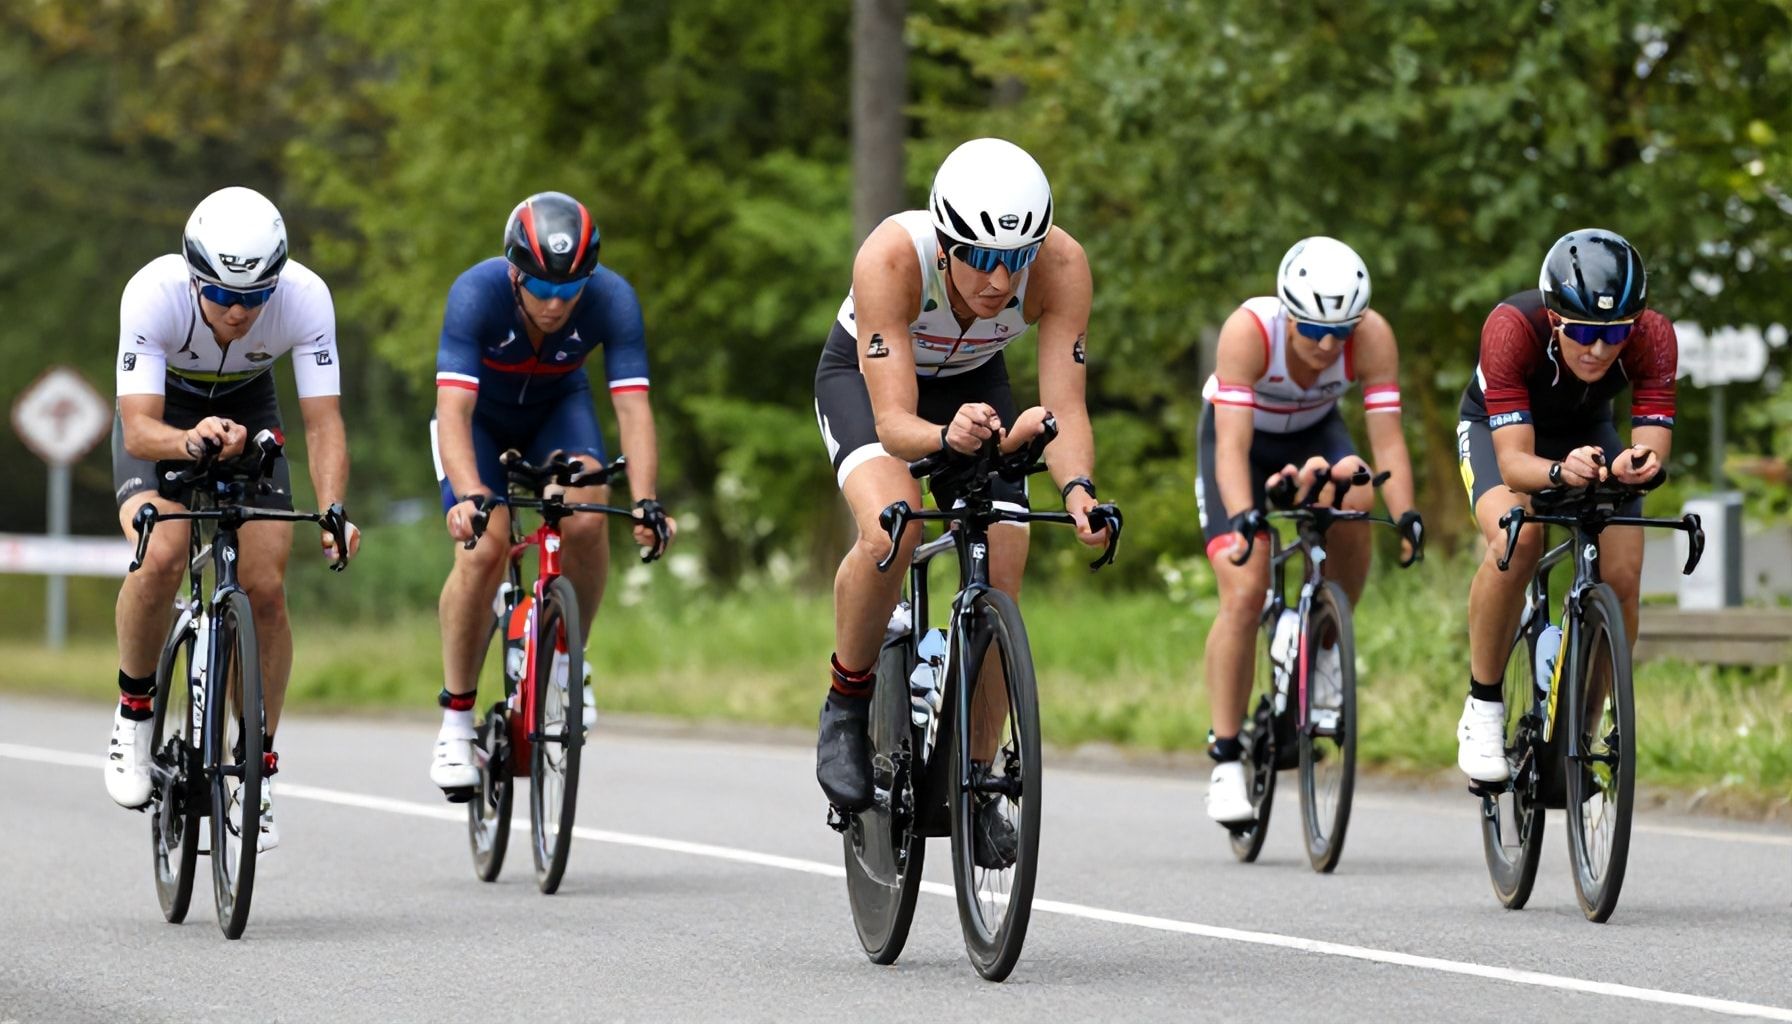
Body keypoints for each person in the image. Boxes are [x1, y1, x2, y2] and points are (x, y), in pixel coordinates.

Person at [811, 137, 1110, 865]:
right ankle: (846, 703)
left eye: (1017, 259)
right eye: (979, 257)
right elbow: (894, 423)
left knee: (1006, 549)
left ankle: (976, 778)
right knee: (894, 530)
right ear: (944, 245)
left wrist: (1078, 491)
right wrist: (947, 437)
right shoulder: (892, 258)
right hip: (872, 387)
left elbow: (1064, 407)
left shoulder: (1062, 266)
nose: (1000, 281)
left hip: (975, 382)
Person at [108, 186, 360, 852]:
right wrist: (189, 440)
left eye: (255, 297)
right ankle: (133, 715)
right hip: (165, 414)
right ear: (196, 277)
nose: (239, 311)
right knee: (162, 554)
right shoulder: (153, 293)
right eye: (221, 295)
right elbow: (138, 428)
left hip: (250, 410)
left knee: (267, 590)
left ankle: (256, 769)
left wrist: (334, 509)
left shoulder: (306, 297)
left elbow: (323, 422)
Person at [429, 191, 675, 796]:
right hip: (479, 424)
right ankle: (455, 720)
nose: (556, 303)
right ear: (515, 273)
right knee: (484, 549)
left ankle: (567, 659)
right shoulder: (475, 293)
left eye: (570, 290)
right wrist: (469, 494)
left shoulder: (613, 299)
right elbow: (454, 412)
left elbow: (633, 409)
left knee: (588, 514)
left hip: (556, 412)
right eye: (541, 288)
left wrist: (646, 500)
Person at [1195, 236, 1422, 826]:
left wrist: (1406, 515)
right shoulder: (1249, 331)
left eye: (1340, 332)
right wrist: (1243, 514)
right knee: (1244, 592)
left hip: (1317, 437)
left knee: (1359, 489)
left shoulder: (1374, 335)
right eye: (1314, 330)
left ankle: (1320, 638)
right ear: (1288, 313)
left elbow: (1387, 441)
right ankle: (1225, 759)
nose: (1326, 346)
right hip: (1242, 447)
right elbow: (1232, 447)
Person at [1454, 229, 1674, 783]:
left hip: (1589, 430)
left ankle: (1585, 727)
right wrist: (1558, 472)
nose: (1598, 349)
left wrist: (1635, 465)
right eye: (1581, 331)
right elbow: (1514, 464)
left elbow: (1651, 452)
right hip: (1499, 433)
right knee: (1519, 538)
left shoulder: (1653, 336)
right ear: (1554, 319)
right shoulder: (1511, 328)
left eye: (1615, 333)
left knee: (1623, 574)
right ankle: (1483, 708)